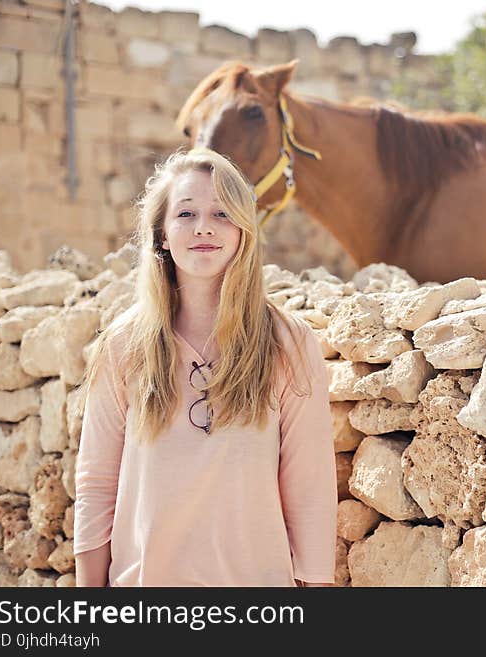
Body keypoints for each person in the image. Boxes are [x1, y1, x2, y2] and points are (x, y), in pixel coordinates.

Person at [73, 148, 337, 587]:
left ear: (243, 232)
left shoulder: (288, 343)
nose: (203, 227)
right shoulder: (124, 344)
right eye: (186, 213)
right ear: (161, 234)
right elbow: (96, 482)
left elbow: (310, 489)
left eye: (221, 213)